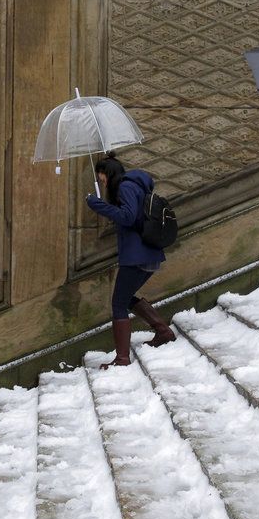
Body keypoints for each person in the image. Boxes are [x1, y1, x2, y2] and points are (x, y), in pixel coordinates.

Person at [85, 153, 176, 369]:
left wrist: (97, 204)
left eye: (101, 177)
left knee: (118, 303)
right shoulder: (135, 185)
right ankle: (163, 331)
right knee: (124, 298)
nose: (102, 181)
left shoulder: (126, 187)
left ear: (108, 173)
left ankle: (122, 359)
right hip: (146, 253)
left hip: (137, 255)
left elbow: (127, 217)